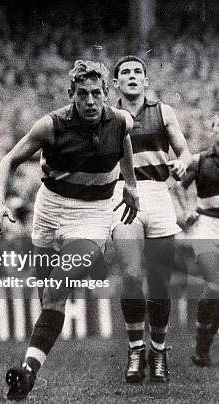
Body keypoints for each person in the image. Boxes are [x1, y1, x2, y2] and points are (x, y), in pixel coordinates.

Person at [0, 60, 139, 401]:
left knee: (56, 288)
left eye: (97, 93)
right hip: (50, 210)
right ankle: (30, 371)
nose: (90, 101)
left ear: (106, 95)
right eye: (82, 94)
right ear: (71, 96)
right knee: (49, 301)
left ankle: (26, 371)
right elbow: (7, 161)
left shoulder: (121, 120)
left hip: (94, 215)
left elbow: (123, 141)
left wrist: (131, 184)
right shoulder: (50, 126)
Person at [111, 55, 192, 383]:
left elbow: (184, 151)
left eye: (137, 72)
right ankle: (135, 349)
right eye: (125, 73)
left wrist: (184, 162)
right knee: (131, 275)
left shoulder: (163, 111)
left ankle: (158, 351)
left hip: (158, 194)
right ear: (116, 83)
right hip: (121, 195)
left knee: (159, 280)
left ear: (145, 81)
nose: (131, 76)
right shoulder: (109, 116)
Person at [179, 114, 219, 367]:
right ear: (213, 130)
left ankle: (204, 345)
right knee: (214, 286)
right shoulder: (200, 160)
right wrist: (186, 210)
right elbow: (178, 186)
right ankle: (201, 345)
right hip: (206, 225)